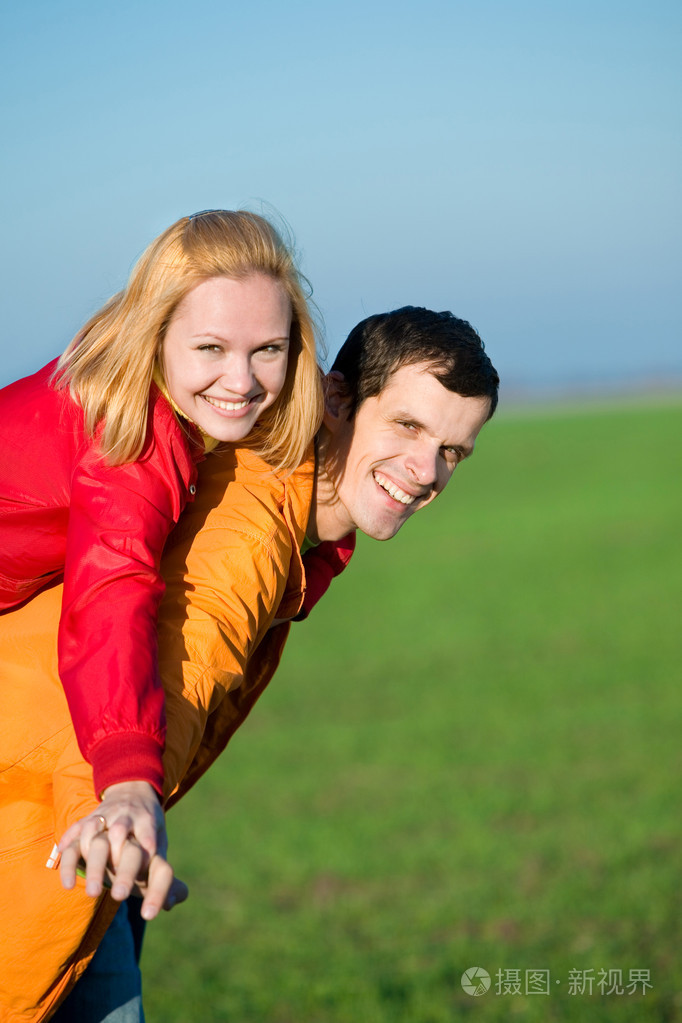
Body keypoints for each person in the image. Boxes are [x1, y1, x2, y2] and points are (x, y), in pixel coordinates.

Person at [0, 306, 499, 1021]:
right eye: (408, 427)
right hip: (48, 816)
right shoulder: (254, 525)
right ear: (336, 401)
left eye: (454, 450)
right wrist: (120, 808)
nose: (425, 472)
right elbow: (175, 670)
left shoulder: (301, 524)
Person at [0, 210, 322, 871]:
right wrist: (126, 775)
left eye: (267, 349)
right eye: (211, 348)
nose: (241, 380)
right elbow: (112, 590)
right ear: (157, 334)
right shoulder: (135, 437)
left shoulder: (136, 392)